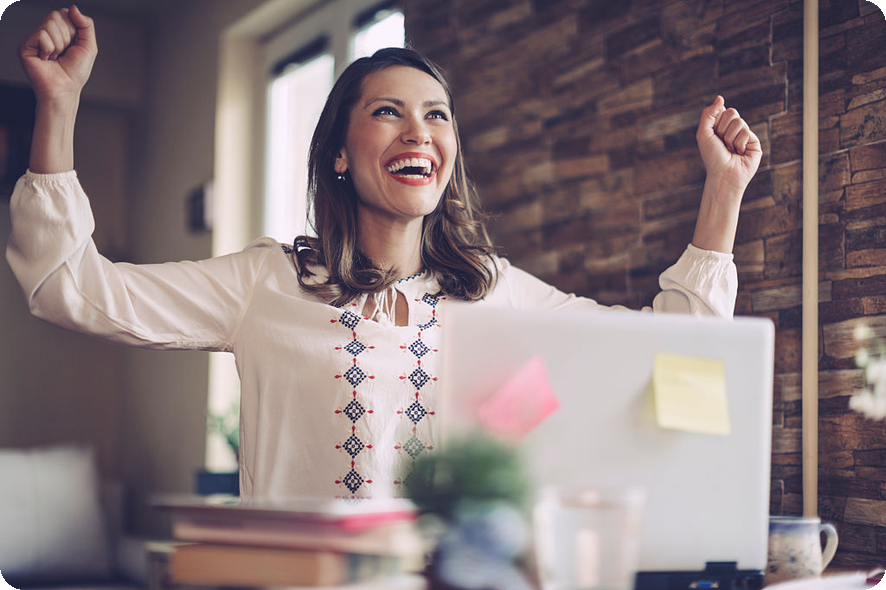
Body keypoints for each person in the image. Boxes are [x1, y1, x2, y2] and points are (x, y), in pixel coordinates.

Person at [8, 6, 762, 500]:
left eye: (436, 116)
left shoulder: (495, 291)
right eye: (388, 112)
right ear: (340, 153)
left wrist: (724, 192)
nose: (418, 131)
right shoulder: (267, 281)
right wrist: (58, 104)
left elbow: (671, 349)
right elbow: (69, 286)